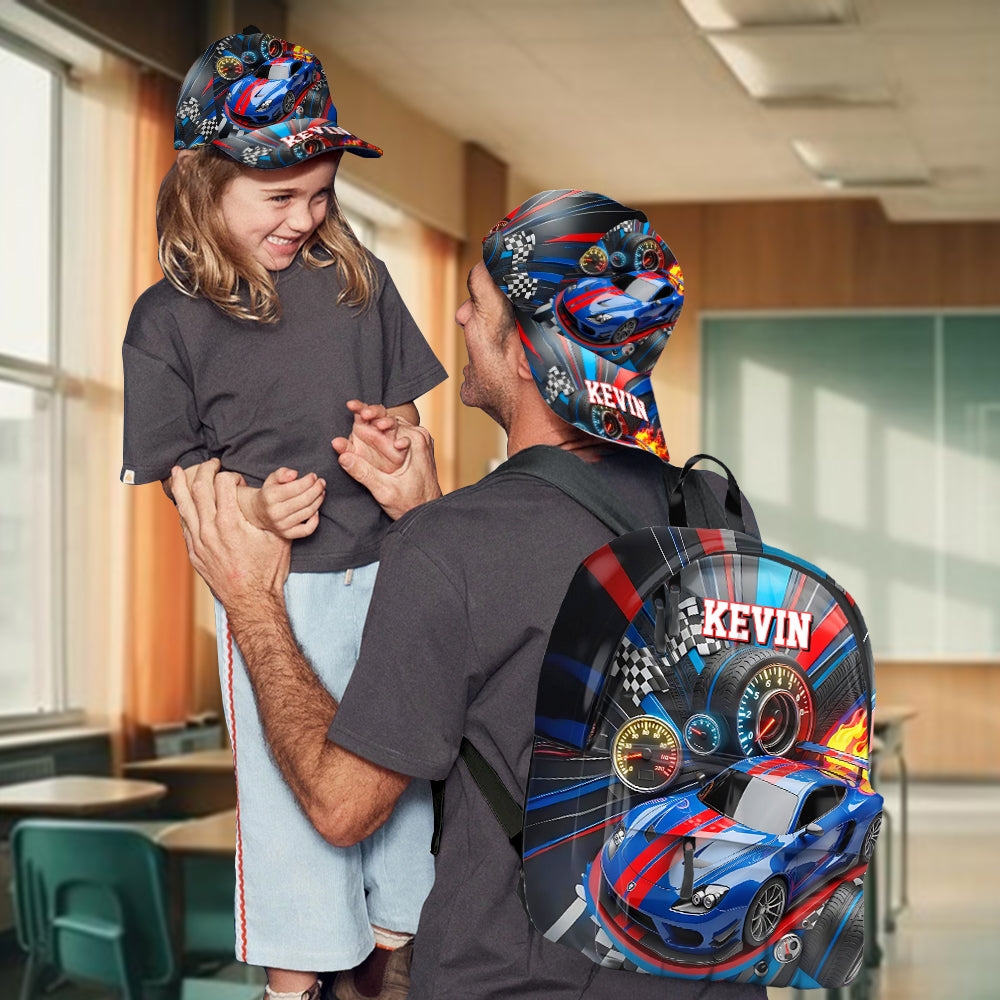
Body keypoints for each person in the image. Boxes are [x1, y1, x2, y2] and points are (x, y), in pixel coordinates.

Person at [171, 192, 765, 1000]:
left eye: (478, 304)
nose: (456, 316)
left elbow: (342, 807)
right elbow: (570, 671)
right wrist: (430, 516)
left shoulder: (455, 545)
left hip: (519, 979)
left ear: (525, 352)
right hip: (705, 973)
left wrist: (253, 604)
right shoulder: (712, 509)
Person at [120, 27, 445, 1000]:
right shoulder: (166, 322)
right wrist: (257, 506)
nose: (305, 215)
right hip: (277, 596)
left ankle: (397, 952)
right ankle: (293, 986)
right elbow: (187, 489)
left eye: (320, 192)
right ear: (200, 184)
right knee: (288, 807)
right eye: (279, 196)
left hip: (387, 573)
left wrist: (396, 439)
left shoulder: (360, 283)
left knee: (401, 787)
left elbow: (408, 418)